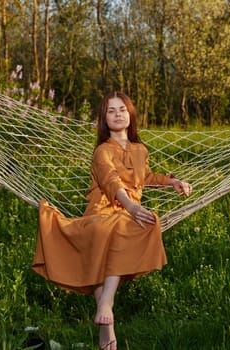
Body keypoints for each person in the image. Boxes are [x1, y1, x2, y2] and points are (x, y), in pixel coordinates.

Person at [32, 91, 192, 350]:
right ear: (104, 119)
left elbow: (146, 176)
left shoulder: (140, 149)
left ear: (131, 115)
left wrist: (173, 182)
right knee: (113, 230)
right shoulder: (102, 151)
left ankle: (105, 320)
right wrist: (129, 205)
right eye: (111, 111)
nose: (118, 114)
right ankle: (107, 310)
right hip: (102, 212)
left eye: (122, 109)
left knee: (147, 223)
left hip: (126, 215)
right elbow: (110, 180)